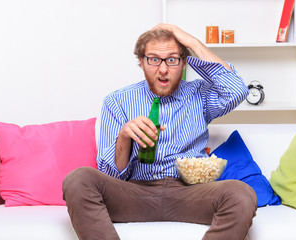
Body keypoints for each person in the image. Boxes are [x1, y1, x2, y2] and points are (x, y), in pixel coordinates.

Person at [63, 23, 257, 240]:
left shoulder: (199, 95)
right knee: (78, 179)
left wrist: (190, 41)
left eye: (172, 59)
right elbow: (110, 176)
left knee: (241, 193)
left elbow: (237, 89)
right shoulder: (117, 101)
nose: (163, 69)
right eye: (154, 59)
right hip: (135, 193)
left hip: (190, 193)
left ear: (184, 63)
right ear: (141, 62)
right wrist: (125, 136)